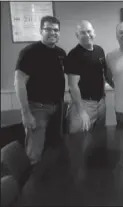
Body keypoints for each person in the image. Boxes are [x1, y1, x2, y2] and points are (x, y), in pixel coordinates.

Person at [64, 20, 114, 180]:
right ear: (77, 35)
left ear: (94, 32)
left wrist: (116, 86)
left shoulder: (99, 50)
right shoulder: (74, 55)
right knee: (80, 146)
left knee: (98, 144)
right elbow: (73, 86)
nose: (87, 35)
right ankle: (79, 184)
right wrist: (81, 112)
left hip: (101, 103)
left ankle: (95, 181)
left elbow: (104, 74)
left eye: (89, 31)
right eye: (83, 32)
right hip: (84, 105)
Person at [14, 16, 66, 167]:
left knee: (54, 149)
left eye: (56, 30)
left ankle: (50, 186)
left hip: (58, 107)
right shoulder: (29, 52)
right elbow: (19, 82)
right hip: (37, 109)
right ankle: (31, 188)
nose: (52, 33)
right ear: (40, 31)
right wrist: (26, 113)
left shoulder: (61, 53)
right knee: (34, 155)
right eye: (48, 29)